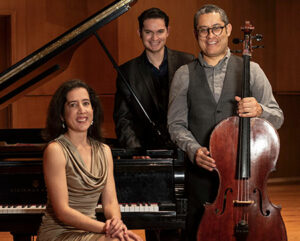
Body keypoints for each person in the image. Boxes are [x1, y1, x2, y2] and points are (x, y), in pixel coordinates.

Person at [167, 4, 284, 241]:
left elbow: (277, 116)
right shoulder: (184, 74)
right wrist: (193, 150)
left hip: (246, 180)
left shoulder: (252, 70)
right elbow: (175, 124)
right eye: (203, 30)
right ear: (196, 34)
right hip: (201, 181)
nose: (210, 36)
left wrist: (260, 110)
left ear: (229, 29)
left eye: (216, 28)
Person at [37, 79, 142, 241]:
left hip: (92, 230)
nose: (81, 110)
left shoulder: (104, 151)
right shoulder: (55, 150)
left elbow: (111, 201)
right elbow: (62, 211)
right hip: (59, 233)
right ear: (61, 115)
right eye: (73, 105)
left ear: (93, 109)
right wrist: (106, 228)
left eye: (86, 103)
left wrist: (116, 223)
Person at [113, 7, 194, 150]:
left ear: (168, 31)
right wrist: (135, 150)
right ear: (140, 33)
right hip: (145, 152)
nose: (154, 38)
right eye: (148, 32)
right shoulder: (127, 71)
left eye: (160, 32)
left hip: (184, 149)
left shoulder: (187, 62)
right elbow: (123, 119)